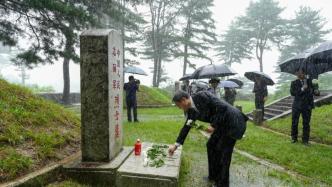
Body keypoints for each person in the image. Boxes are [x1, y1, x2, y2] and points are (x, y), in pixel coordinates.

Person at [168, 90, 248, 187]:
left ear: (184, 100)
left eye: (178, 105)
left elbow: (222, 107)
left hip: (233, 122)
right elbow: (187, 126)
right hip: (221, 124)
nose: (179, 108)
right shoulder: (191, 110)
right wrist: (176, 145)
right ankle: (213, 176)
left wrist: (213, 125)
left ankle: (222, 184)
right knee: (211, 145)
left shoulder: (202, 95)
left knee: (223, 152)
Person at [290, 69, 315, 145]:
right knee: (295, 122)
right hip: (297, 106)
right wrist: (302, 89)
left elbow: (314, 91)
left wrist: (316, 92)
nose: (298, 74)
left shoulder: (310, 81)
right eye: (297, 73)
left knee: (306, 123)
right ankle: (294, 138)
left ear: (304, 73)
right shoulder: (294, 83)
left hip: (307, 106)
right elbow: (293, 93)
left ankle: (305, 140)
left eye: (300, 73)